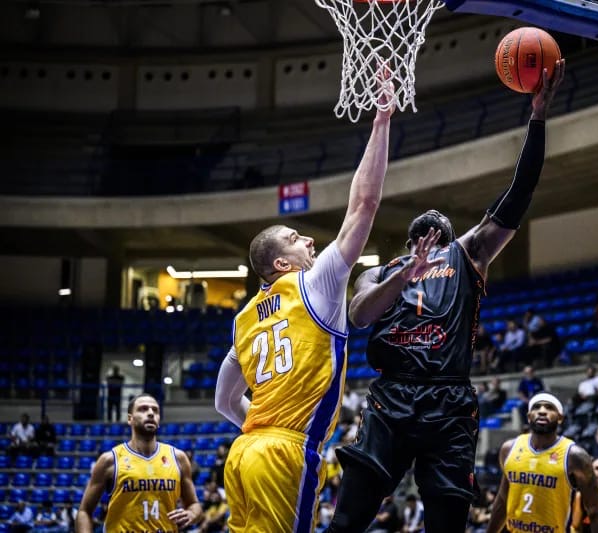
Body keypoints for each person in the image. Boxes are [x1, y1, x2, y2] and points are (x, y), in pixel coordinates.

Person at [326, 60, 566, 533]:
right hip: (392, 397)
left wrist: (538, 117)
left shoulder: (468, 252)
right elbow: (358, 316)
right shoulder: (380, 271)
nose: (433, 216)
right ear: (408, 242)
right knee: (347, 521)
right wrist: (404, 275)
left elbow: (519, 193)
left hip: (449, 399)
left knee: (447, 523)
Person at [214, 75, 396, 533]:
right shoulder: (315, 283)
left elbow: (223, 400)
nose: (310, 240)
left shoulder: (243, 319)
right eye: (296, 238)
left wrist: (259, 430)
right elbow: (364, 205)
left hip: (243, 454)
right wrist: (381, 121)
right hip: (285, 452)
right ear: (281, 262)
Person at [75, 394, 203, 533]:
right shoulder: (110, 460)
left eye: (155, 410)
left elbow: (194, 505)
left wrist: (192, 514)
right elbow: (84, 511)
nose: (150, 413)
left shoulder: (178, 458)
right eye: (143, 409)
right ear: (130, 419)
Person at [486, 393, 598, 533]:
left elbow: (595, 511)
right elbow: (503, 499)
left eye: (549, 407)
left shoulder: (575, 456)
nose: (542, 411)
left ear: (560, 418)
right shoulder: (509, 449)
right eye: (536, 407)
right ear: (529, 416)